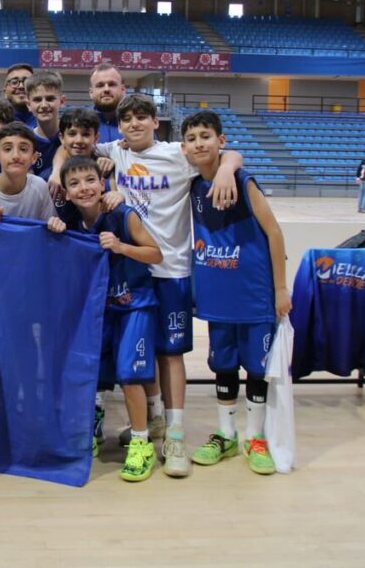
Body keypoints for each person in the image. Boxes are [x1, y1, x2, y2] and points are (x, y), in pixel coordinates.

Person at [79, 93, 243, 478]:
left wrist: (224, 169)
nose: (134, 124)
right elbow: (72, 149)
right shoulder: (114, 153)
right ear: (118, 127)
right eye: (127, 120)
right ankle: (153, 419)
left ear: (156, 121)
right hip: (130, 270)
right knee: (143, 349)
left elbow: (228, 155)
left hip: (171, 269)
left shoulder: (177, 154)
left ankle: (175, 434)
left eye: (142, 117)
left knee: (170, 355)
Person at [180, 111, 291, 476]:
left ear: (221, 141)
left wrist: (279, 289)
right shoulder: (194, 186)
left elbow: (274, 233)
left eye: (206, 136)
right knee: (223, 366)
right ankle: (226, 435)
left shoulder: (243, 182)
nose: (199, 143)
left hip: (256, 297)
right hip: (218, 299)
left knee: (257, 369)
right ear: (184, 147)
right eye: (192, 137)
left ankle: (254, 437)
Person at [62, 155, 164, 482]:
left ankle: (140, 442)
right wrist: (53, 226)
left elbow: (155, 253)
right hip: (100, 309)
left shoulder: (123, 214)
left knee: (130, 375)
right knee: (96, 374)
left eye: (90, 180)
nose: (84, 188)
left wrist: (121, 247)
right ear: (65, 192)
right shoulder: (68, 220)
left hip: (135, 304)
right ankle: (94, 429)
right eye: (74, 183)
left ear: (102, 182)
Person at [0, 122, 64, 232]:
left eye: (23, 149)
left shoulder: (40, 186)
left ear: (34, 157)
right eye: (8, 149)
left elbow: (50, 229)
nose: (16, 156)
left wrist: (56, 225)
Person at [24, 71, 65, 181]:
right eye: (37, 100)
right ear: (28, 104)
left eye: (50, 99)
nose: (44, 105)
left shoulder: (73, 136)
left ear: (62, 101)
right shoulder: (24, 140)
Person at [88, 63, 128, 143]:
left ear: (123, 90)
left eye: (112, 84)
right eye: (100, 85)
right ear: (91, 92)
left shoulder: (138, 122)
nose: (106, 89)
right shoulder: (78, 120)